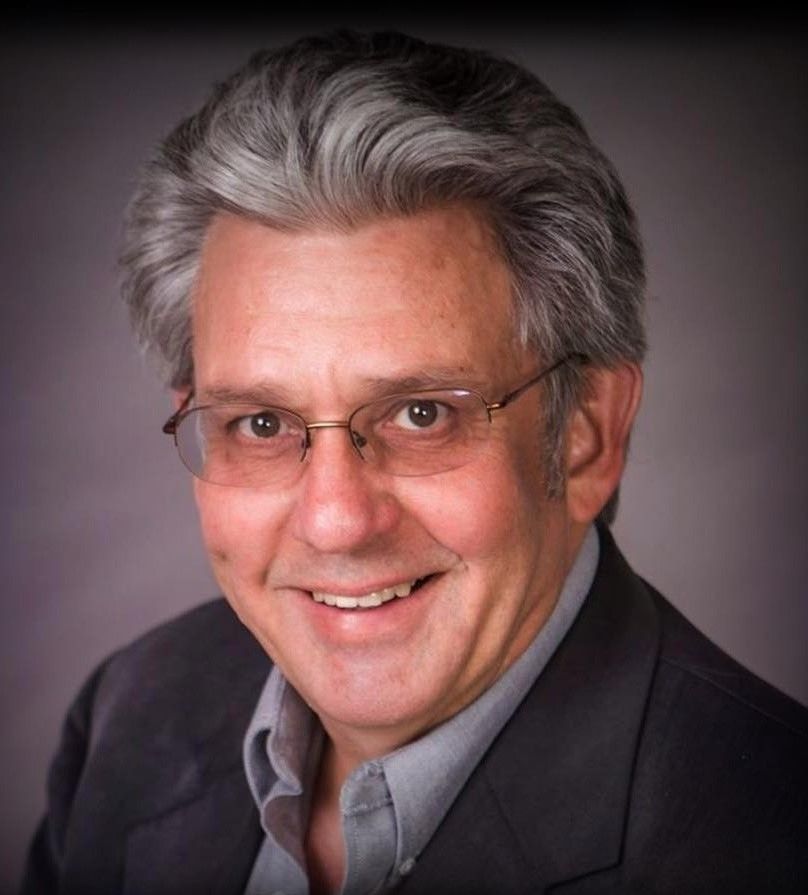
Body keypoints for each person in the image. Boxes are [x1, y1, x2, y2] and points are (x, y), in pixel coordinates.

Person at [21, 29, 807, 895]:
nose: (336, 519)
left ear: (587, 432)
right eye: (261, 422)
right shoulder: (130, 715)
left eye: (421, 413)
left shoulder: (770, 837)